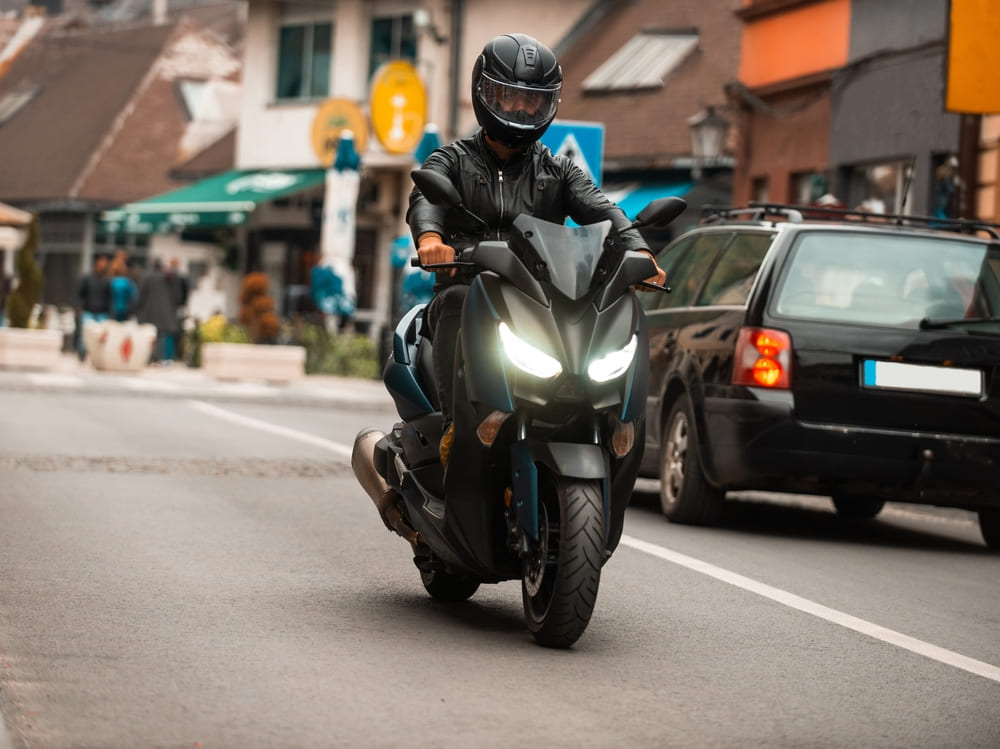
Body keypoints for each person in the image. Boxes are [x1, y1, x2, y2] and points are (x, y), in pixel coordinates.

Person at [406, 33, 666, 466]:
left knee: (609, 312)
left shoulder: (560, 170)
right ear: (483, 93)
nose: (521, 109)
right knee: (454, 303)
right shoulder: (451, 159)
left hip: (539, 298)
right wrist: (431, 239)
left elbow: (604, 210)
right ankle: (458, 424)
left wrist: (640, 251)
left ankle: (613, 412)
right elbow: (426, 200)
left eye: (533, 100)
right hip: (473, 286)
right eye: (508, 97)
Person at [136, 258, 179, 364]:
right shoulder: (167, 277)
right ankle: (165, 358)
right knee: (164, 336)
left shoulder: (147, 277)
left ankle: (151, 358)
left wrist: (138, 309)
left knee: (151, 336)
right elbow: (177, 295)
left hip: (150, 311)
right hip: (165, 312)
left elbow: (141, 295)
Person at [75, 254, 111, 360]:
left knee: (100, 337)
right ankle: (82, 354)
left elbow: (109, 298)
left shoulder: (107, 280)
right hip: (88, 311)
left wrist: (110, 312)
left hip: (102, 313)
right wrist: (78, 306)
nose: (103, 265)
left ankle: (96, 357)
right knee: (84, 336)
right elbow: (80, 294)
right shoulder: (87, 278)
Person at [108, 252, 137, 322]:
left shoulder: (110, 282)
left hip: (111, 312)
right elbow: (134, 297)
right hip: (125, 312)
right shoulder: (128, 282)